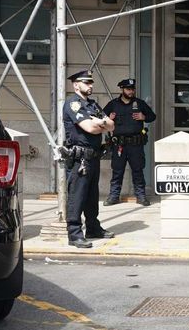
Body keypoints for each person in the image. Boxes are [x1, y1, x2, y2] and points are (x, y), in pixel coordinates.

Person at [61, 70, 115, 248]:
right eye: (86, 82)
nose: (90, 85)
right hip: (79, 158)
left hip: (93, 156)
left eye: (91, 82)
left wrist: (97, 122)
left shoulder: (93, 105)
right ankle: (74, 234)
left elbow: (111, 125)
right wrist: (100, 124)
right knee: (77, 196)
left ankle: (93, 228)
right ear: (76, 85)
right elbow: (90, 128)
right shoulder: (73, 104)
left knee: (92, 196)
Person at [103, 78, 156, 207]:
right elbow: (100, 118)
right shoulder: (113, 104)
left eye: (132, 89)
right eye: (128, 89)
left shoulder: (139, 103)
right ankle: (114, 196)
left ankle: (141, 196)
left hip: (136, 144)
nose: (131, 92)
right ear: (122, 89)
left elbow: (152, 116)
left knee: (138, 170)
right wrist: (108, 119)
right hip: (119, 144)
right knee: (117, 171)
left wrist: (144, 117)